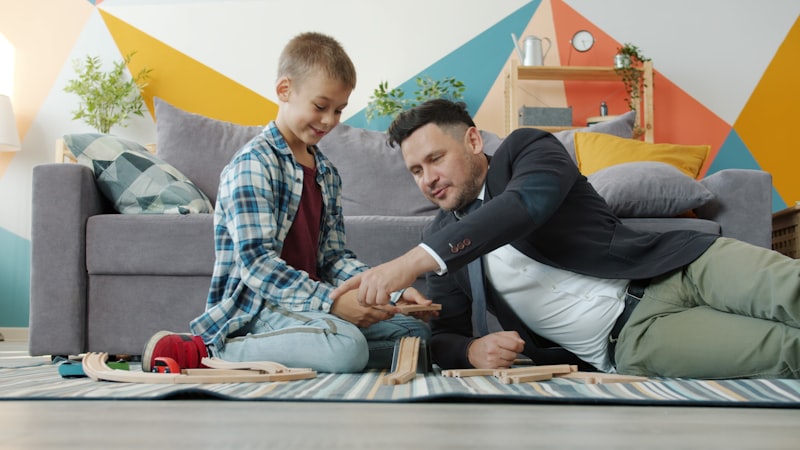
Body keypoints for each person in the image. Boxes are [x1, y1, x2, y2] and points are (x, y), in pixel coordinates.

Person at [333, 98, 800, 379]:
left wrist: (414, 261)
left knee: (792, 290)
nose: (428, 179)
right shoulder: (441, 237)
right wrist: (472, 350)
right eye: (416, 170)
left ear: (473, 142)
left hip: (682, 265)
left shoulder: (527, 149)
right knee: (786, 350)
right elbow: (445, 335)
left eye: (435, 159)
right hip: (633, 337)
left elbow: (524, 207)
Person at [141, 32, 431, 374]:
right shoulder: (253, 164)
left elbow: (333, 258)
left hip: (309, 307)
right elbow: (257, 263)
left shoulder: (327, 173)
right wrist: (334, 303)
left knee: (416, 338)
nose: (329, 121)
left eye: (339, 110)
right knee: (346, 348)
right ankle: (211, 348)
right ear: (284, 91)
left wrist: (389, 292)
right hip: (258, 310)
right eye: (320, 106)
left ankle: (323, 347)